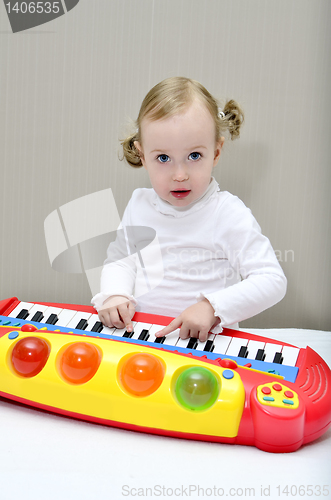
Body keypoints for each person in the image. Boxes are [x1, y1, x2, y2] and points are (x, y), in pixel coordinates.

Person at [91, 77, 287, 342]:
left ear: (216, 152)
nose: (180, 175)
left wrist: (212, 307)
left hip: (208, 344)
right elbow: (121, 260)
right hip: (143, 338)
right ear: (142, 155)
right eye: (163, 158)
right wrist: (115, 293)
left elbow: (271, 280)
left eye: (194, 156)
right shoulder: (139, 205)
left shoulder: (227, 213)